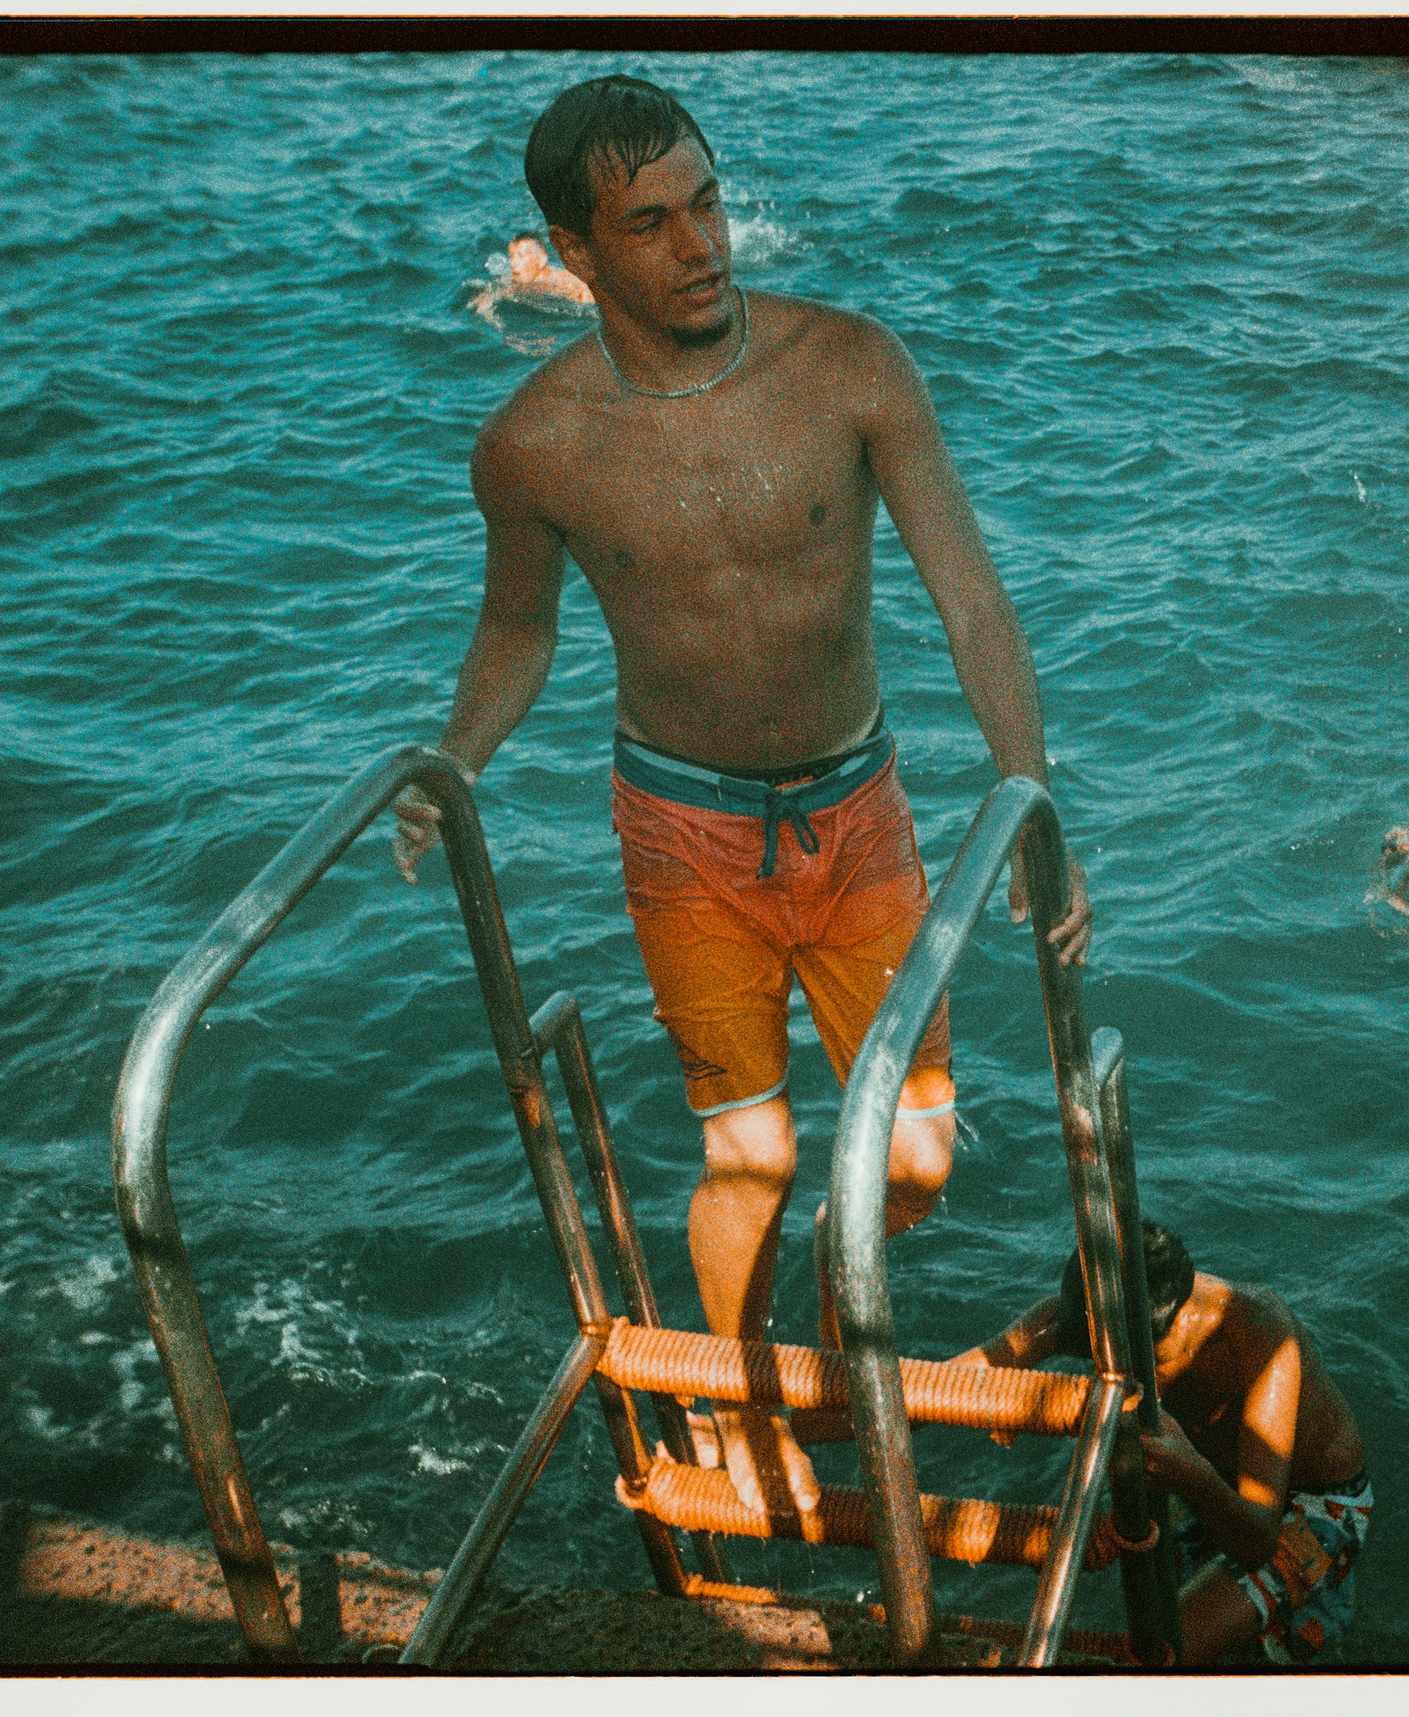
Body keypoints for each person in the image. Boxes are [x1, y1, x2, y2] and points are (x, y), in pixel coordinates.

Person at [394, 74, 1093, 1519]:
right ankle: (733, 1393)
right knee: (751, 1151)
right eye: (649, 224)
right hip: (681, 825)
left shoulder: (850, 369)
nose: (701, 243)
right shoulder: (533, 445)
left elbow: (970, 594)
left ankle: (836, 1349)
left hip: (863, 807)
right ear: (573, 254)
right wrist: (453, 761)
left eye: (707, 202)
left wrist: (1029, 790)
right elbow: (517, 628)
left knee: (911, 1156)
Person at [952, 1222, 1370, 1664]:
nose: (1133, 1376)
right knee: (1156, 1625)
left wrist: (1191, 1476)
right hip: (1196, 1473)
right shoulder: (1090, 1319)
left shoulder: (1260, 1335)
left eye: (1153, 1360)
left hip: (1311, 1502)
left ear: (1188, 1316)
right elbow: (952, 1381)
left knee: (1168, 1651)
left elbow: (1258, 1542)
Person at [503, 230, 594, 305]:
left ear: (541, 260)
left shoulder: (560, 281)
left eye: (521, 255)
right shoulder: (514, 281)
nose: (512, 262)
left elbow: (586, 291)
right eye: (511, 255)